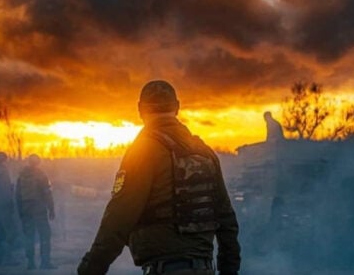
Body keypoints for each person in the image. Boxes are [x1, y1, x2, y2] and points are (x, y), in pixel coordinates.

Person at [78, 80, 241, 275]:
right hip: (204, 269)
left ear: (140, 110)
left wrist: (90, 269)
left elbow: (118, 218)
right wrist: (229, 270)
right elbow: (226, 219)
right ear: (177, 107)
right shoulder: (205, 153)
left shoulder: (143, 151)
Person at [15, 154, 56, 270]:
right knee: (45, 235)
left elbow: (17, 196)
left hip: (26, 211)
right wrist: (51, 209)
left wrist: (20, 212)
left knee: (29, 237)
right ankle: (45, 262)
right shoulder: (41, 175)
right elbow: (47, 194)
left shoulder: (21, 176)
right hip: (39, 211)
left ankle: (31, 263)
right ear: (38, 162)